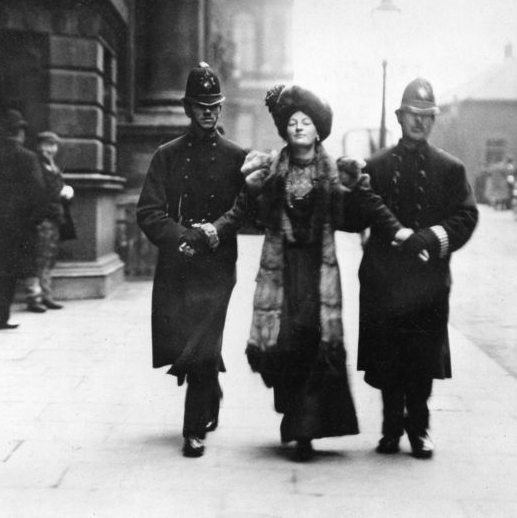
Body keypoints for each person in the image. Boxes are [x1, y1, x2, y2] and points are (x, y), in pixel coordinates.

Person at [212, 84, 404, 462]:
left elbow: (367, 207)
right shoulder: (268, 172)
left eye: (307, 122)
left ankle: (304, 431)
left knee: (315, 346)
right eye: (293, 122)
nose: (299, 128)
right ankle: (295, 418)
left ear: (319, 131)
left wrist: (396, 229)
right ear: (285, 131)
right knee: (285, 347)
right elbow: (241, 210)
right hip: (283, 272)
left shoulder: (336, 175)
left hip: (318, 273)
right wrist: (216, 231)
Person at [354, 78, 479, 459]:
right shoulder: (374, 167)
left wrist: (430, 239)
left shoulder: (449, 169)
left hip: (427, 282)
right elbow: (354, 215)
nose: (420, 122)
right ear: (399, 116)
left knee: (422, 359)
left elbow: (466, 216)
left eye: (427, 116)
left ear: (434, 121)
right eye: (413, 115)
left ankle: (419, 430)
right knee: (388, 359)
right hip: (385, 281)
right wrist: (349, 189)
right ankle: (391, 429)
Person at [136, 62, 247, 458]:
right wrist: (183, 237)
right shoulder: (166, 156)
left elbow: (246, 210)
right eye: (201, 105)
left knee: (201, 342)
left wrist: (214, 232)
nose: (209, 112)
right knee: (188, 341)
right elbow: (148, 211)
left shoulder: (238, 157)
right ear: (187, 108)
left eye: (215, 105)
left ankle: (193, 429)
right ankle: (211, 390)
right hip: (178, 265)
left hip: (217, 266)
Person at [0, 108, 47, 330]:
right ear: (19, 133)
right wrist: (34, 221)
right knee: (12, 272)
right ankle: (1, 318)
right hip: (21, 229)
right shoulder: (28, 157)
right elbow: (39, 194)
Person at [25, 131, 75, 312]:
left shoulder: (51, 165)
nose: (50, 149)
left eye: (53, 145)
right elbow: (38, 191)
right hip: (42, 218)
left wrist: (66, 192)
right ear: (39, 146)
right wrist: (60, 193)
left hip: (54, 217)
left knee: (48, 258)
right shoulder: (37, 164)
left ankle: (46, 295)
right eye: (47, 145)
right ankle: (34, 297)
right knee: (38, 258)